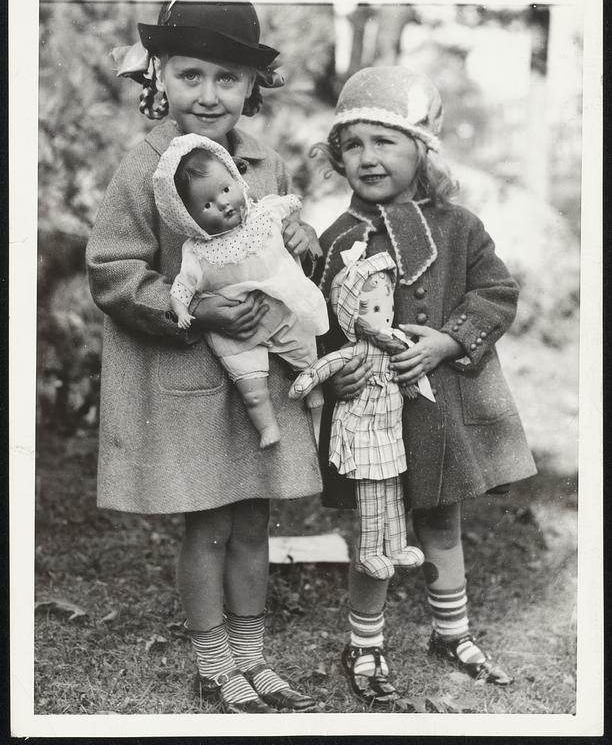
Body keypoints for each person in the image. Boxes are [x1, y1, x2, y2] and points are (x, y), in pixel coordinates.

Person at [86, 1, 322, 713]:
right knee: (209, 523)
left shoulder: (262, 162)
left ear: (254, 86)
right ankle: (215, 665)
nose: (209, 94)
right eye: (192, 74)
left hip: (258, 373)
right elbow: (113, 270)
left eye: (228, 77)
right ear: (160, 75)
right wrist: (191, 305)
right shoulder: (146, 167)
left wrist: (301, 240)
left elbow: (268, 242)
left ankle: (255, 660)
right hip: (187, 374)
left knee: (255, 522)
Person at [312, 66, 537, 706]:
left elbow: (495, 294)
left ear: (421, 150)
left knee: (442, 520)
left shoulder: (458, 227)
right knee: (376, 530)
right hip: (370, 417)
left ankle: (452, 630)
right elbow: (316, 323)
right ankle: (365, 642)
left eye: (385, 141)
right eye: (352, 145)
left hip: (442, 413)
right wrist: (338, 364)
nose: (367, 157)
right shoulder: (334, 240)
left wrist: (447, 339)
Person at [154, 133, 328, 448]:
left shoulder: (261, 215)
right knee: (251, 385)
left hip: (277, 305)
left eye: (225, 189)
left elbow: (291, 208)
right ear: (189, 219)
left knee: (303, 348)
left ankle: (313, 387)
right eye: (207, 204)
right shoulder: (197, 251)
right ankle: (267, 428)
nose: (223, 203)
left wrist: (303, 230)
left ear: (236, 180)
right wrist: (184, 310)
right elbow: (183, 284)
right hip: (234, 331)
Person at [290, 244, 426, 579]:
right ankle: (369, 552)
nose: (386, 314)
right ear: (352, 313)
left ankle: (395, 546)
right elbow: (325, 366)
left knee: (393, 487)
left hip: (388, 428)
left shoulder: (396, 342)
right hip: (362, 427)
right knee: (370, 493)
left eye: (387, 305)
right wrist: (306, 382)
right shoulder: (354, 351)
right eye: (374, 308)